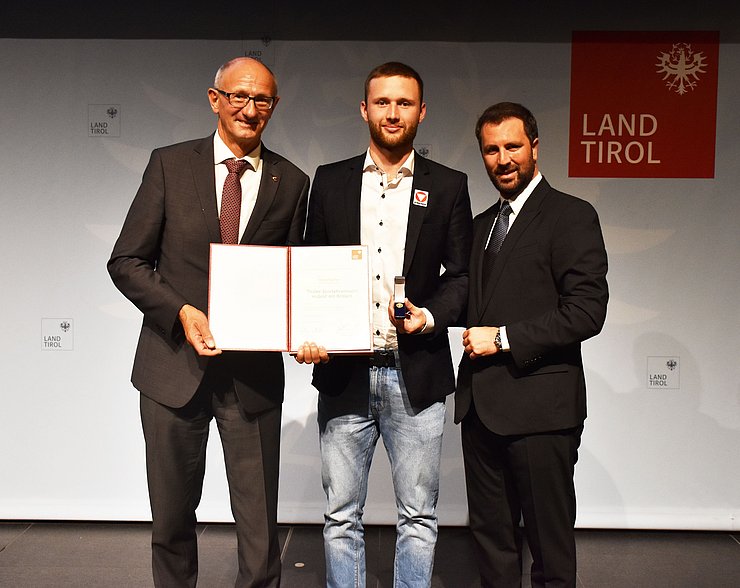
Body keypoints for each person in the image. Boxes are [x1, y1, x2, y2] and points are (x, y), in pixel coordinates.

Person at [107, 57, 309, 588]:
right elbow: (126, 261)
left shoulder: (292, 181)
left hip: (253, 378)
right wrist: (181, 311)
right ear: (214, 98)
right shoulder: (170, 165)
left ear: (274, 106)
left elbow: (293, 277)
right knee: (172, 520)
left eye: (262, 99)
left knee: (260, 531)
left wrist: (305, 328)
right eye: (239, 96)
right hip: (172, 369)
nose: (250, 108)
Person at [295, 62, 473, 587]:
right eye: (382, 102)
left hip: (415, 372)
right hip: (344, 373)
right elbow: (311, 268)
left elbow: (461, 276)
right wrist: (309, 332)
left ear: (421, 111)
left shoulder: (448, 185)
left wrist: (429, 316)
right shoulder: (330, 180)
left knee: (418, 517)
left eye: (404, 103)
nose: (392, 113)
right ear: (364, 109)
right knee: (340, 517)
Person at [456, 102, 609, 588]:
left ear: (535, 147)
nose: (503, 159)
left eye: (513, 147)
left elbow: (587, 311)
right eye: (492, 150)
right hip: (479, 412)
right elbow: (469, 304)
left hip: (543, 415)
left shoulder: (571, 216)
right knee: (491, 542)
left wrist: (502, 339)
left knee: (550, 550)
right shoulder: (478, 226)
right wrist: (426, 317)